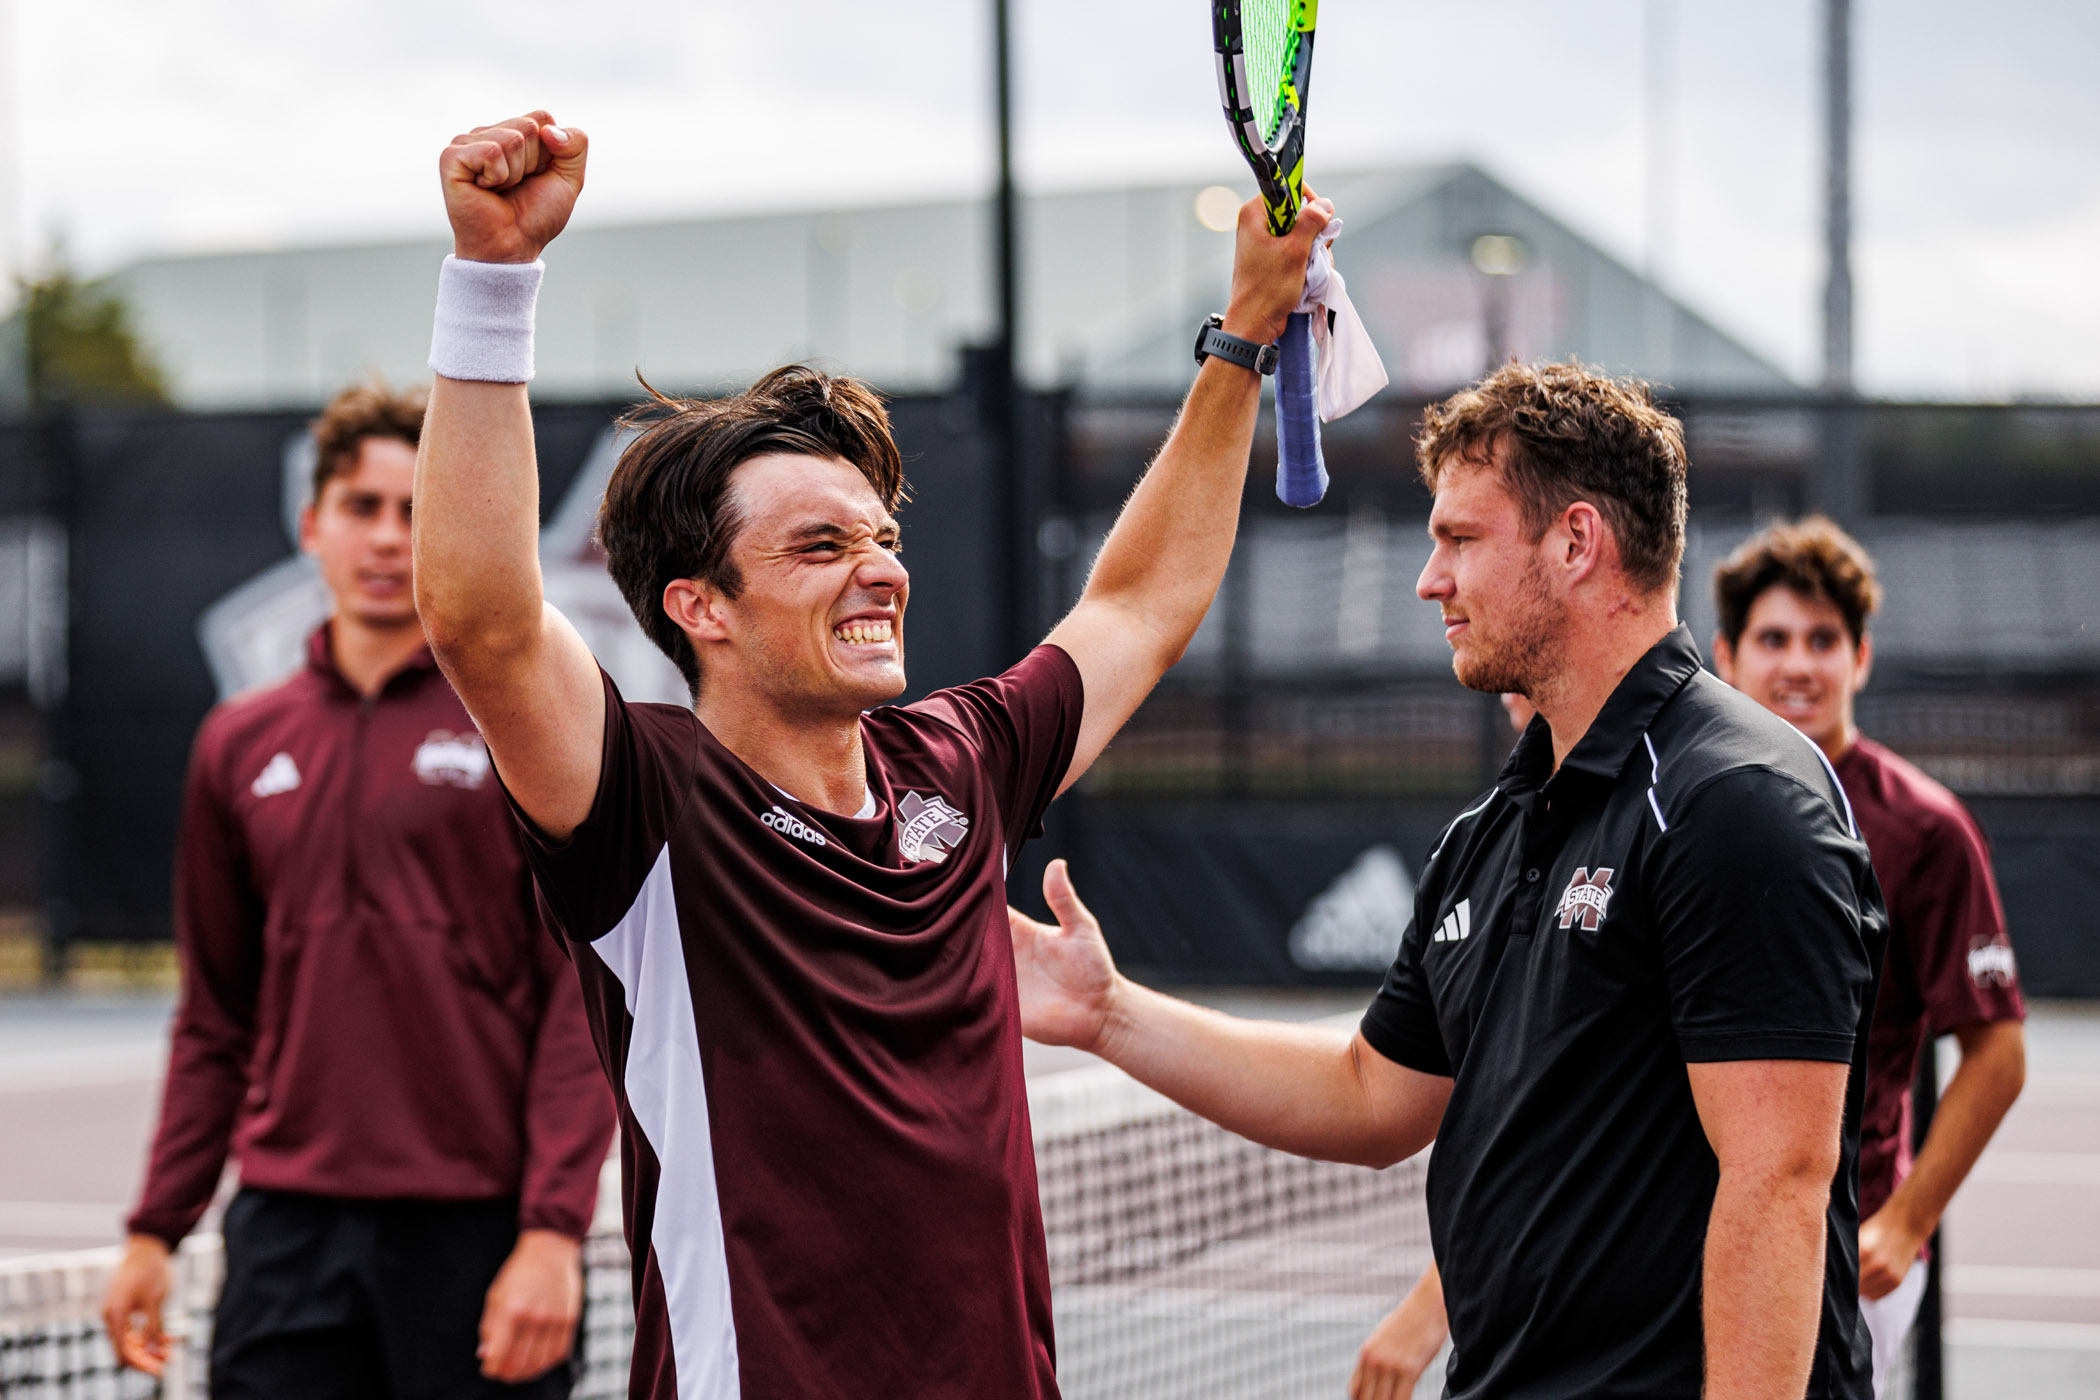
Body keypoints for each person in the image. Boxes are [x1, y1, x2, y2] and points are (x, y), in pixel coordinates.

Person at [410, 112, 1327, 1398]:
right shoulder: (647, 804)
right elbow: (483, 621)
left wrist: (1241, 334)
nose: (880, 569)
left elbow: (1137, 605)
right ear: (699, 605)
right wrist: (493, 279)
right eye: (819, 545)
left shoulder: (959, 760)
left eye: (880, 533)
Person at [1010, 362, 1888, 1400]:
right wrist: (1106, 1011)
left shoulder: (1735, 797)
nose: (1432, 578)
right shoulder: (1494, 828)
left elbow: (1777, 1181)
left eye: (1461, 539)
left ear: (1574, 543)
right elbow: (1370, 1094)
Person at [101, 383, 617, 1399]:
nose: (388, 537)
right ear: (312, 524)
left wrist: (553, 1228)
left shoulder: (524, 721)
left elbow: (579, 999)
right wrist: (156, 1224)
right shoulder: (239, 742)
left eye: (417, 508)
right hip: (286, 1235)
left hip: (480, 1235)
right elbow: (215, 1014)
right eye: (363, 507)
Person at [1712, 516, 2026, 1395]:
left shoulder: (1927, 829)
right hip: (1695, 1234)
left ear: (1862, 658)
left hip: (1847, 1246)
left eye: (1824, 640)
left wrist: (1905, 1221)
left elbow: (1998, 1055)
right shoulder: (1685, 803)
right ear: (1728, 658)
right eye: (1774, 639)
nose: (1800, 665)